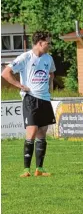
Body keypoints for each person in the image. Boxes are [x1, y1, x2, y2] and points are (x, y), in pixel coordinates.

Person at [1, 31, 56, 177]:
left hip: (45, 98)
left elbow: (51, 73)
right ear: (39, 43)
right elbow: (5, 73)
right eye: (47, 43)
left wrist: (49, 87)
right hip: (31, 98)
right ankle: (26, 169)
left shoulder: (48, 58)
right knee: (31, 132)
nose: (49, 45)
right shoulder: (25, 57)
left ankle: (39, 169)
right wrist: (20, 85)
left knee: (42, 131)